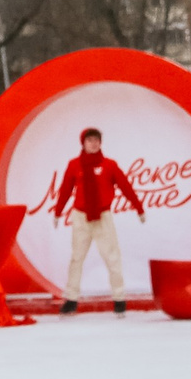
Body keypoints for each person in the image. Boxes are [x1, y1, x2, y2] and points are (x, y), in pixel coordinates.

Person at [53, 128, 145, 317]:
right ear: (83, 143)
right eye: (90, 140)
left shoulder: (109, 165)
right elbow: (65, 190)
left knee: (112, 257)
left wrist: (139, 207)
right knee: (77, 258)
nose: (93, 144)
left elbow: (125, 186)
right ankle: (71, 299)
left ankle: (119, 299)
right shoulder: (74, 165)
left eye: (96, 140)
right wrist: (58, 212)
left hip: (103, 217)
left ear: (100, 143)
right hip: (80, 217)